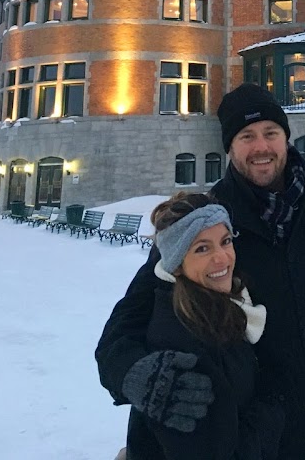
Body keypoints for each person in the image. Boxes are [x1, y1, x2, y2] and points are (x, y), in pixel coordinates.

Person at [96, 83, 305, 460]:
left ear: (285, 137)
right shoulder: (208, 218)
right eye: (246, 136)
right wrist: (132, 371)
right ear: (229, 147)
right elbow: (130, 318)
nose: (261, 147)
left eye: (270, 133)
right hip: (266, 436)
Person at [118, 191, 280, 460]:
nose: (222, 258)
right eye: (202, 248)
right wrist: (274, 406)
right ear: (176, 265)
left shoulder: (222, 309)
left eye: (225, 241)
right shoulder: (188, 340)